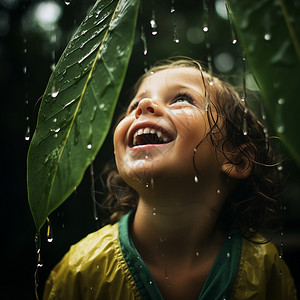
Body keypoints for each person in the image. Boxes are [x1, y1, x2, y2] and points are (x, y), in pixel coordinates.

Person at [43, 58, 297, 300]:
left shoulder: (264, 269)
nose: (143, 107)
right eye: (135, 105)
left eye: (182, 99)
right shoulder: (81, 269)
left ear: (236, 160)